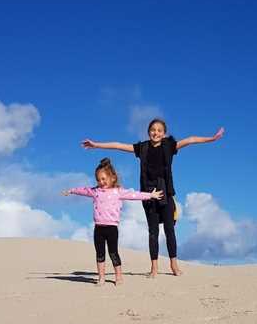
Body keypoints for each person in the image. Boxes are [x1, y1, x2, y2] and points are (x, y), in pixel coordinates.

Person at [81, 119, 224, 277]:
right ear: (149, 131)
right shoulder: (142, 148)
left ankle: (174, 266)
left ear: (164, 133)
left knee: (170, 230)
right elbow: (118, 145)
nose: (156, 133)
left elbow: (190, 140)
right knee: (153, 232)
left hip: (166, 194)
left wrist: (211, 139)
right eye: (153, 130)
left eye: (159, 130)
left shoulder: (169, 146)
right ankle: (154, 268)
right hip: (149, 195)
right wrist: (96, 145)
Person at [63, 157, 163, 286]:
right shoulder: (95, 192)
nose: (101, 182)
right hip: (98, 228)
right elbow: (83, 190)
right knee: (100, 254)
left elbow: (134, 195)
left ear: (112, 178)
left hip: (111, 228)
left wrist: (150, 195)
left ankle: (119, 277)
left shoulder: (118, 192)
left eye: (103, 179)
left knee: (113, 252)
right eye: (98, 180)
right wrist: (71, 191)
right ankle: (101, 278)